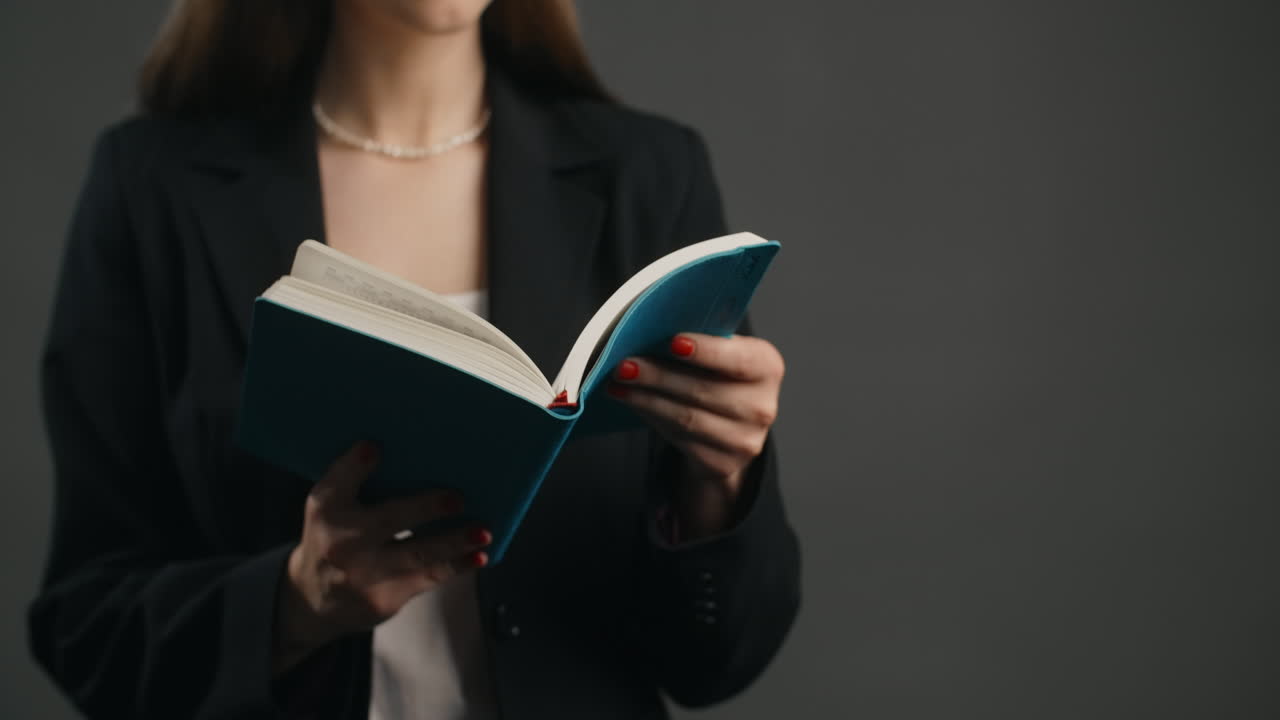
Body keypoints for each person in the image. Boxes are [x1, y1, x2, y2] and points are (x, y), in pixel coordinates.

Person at [28, 1, 801, 718]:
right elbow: (86, 627)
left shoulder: (649, 174)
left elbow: (716, 663)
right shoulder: (151, 187)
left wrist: (721, 485)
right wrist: (293, 603)